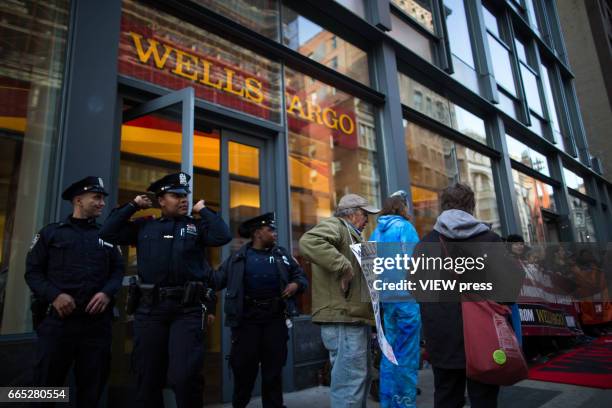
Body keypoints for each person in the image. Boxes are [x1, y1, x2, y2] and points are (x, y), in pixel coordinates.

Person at [99, 172, 231, 408]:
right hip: (150, 309)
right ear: (161, 201)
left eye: (186, 195)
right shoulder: (145, 226)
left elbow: (223, 235)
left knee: (185, 377)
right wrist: (132, 206)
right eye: (176, 195)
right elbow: (107, 232)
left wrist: (205, 210)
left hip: (187, 310)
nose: (184, 200)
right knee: (147, 376)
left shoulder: (195, 227)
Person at [25, 176, 123, 407]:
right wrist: (54, 295)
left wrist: (107, 292)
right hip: (58, 323)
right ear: (78, 200)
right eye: (96, 197)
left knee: (92, 388)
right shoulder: (51, 234)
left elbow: (118, 271)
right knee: (45, 387)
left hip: (96, 326)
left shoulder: (107, 236)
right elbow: (33, 273)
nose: (101, 203)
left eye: (102, 199)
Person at [414, 183, 503, 408]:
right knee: (484, 398)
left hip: (442, 336)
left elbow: (417, 291)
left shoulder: (426, 244)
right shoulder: (490, 240)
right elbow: (508, 293)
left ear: (443, 206)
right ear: (471, 206)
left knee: (446, 396)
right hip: (484, 334)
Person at [213, 212, 308, 408]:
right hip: (246, 323)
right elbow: (215, 282)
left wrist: (296, 285)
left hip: (274, 321)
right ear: (257, 233)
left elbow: (301, 277)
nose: (274, 233)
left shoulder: (282, 254)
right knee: (244, 371)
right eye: (270, 230)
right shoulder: (238, 258)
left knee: (273, 371)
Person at [299, 193, 380, 408]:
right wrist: (343, 266)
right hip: (343, 319)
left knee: (357, 381)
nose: (367, 221)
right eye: (365, 215)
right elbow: (309, 241)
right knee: (350, 385)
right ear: (352, 214)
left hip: (353, 319)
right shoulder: (336, 225)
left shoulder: (353, 234)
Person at [369, 191, 421, 408]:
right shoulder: (405, 228)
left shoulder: (376, 232)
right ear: (402, 207)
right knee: (406, 355)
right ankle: (405, 404)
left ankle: (388, 402)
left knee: (389, 353)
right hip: (406, 300)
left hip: (386, 300)